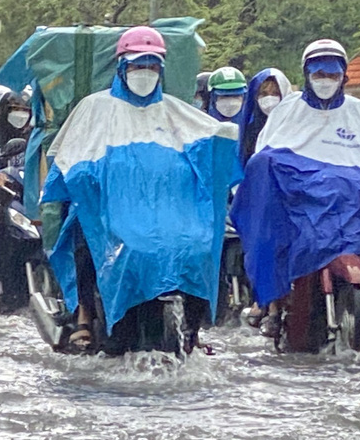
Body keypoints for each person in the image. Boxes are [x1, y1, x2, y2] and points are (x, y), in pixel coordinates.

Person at [42, 26, 239, 352]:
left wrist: (226, 138)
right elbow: (69, 164)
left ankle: (192, 329)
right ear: (122, 67)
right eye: (137, 65)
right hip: (111, 213)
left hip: (169, 218)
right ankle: (85, 316)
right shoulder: (94, 109)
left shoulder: (176, 113)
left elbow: (212, 150)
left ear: (161, 69)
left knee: (199, 245)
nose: (144, 73)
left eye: (151, 66)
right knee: (92, 239)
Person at [230, 39, 360, 336]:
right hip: (302, 206)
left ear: (344, 76)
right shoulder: (288, 111)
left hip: (351, 207)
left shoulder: (358, 111)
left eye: (332, 75)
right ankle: (276, 305)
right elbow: (265, 152)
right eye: (319, 75)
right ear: (307, 74)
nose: (325, 81)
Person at [237, 68, 293, 168]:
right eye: (263, 94)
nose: (269, 98)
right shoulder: (250, 131)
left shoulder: (294, 128)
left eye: (275, 94)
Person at [0, 91, 32, 168]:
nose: (21, 115)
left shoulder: (33, 137)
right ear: (3, 110)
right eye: (15, 109)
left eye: (25, 110)